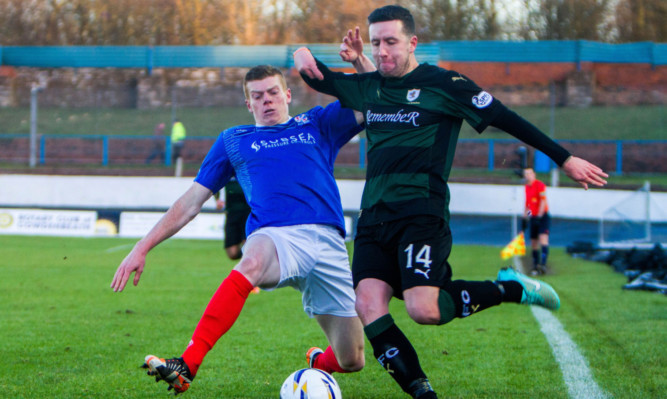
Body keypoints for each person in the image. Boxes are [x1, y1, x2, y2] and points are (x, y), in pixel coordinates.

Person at [294, 5, 608, 398]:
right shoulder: (369, 85)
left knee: (423, 310)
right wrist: (312, 54)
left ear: (413, 43)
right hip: (373, 217)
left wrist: (564, 158)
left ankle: (510, 288)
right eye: (376, 44)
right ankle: (423, 392)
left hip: (421, 214)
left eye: (391, 42)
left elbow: (506, 118)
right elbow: (312, 72)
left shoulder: (446, 85)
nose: (383, 52)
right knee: (368, 304)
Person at [111, 65, 366, 395]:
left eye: (274, 92)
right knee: (251, 261)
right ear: (249, 104)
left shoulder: (316, 123)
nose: (267, 101)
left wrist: (360, 64)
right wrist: (142, 247)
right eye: (257, 96)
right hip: (276, 235)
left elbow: (370, 101)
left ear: (288, 95)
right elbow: (190, 203)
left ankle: (317, 364)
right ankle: (188, 363)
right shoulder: (234, 141)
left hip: (330, 243)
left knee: (352, 358)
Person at [214, 176, 251, 260]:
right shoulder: (226, 170)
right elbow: (215, 182)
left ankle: (248, 264)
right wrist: (218, 199)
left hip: (248, 212)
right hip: (231, 213)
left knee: (248, 247)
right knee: (232, 253)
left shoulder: (246, 168)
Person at [523, 167, 551, 275]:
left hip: (542, 216)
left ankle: (543, 265)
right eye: (526, 173)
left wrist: (539, 216)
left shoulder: (540, 185)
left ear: (534, 174)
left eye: (529, 173)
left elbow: (543, 202)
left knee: (543, 239)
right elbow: (528, 205)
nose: (527, 175)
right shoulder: (526, 188)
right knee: (534, 242)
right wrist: (526, 217)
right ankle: (535, 265)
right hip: (533, 217)